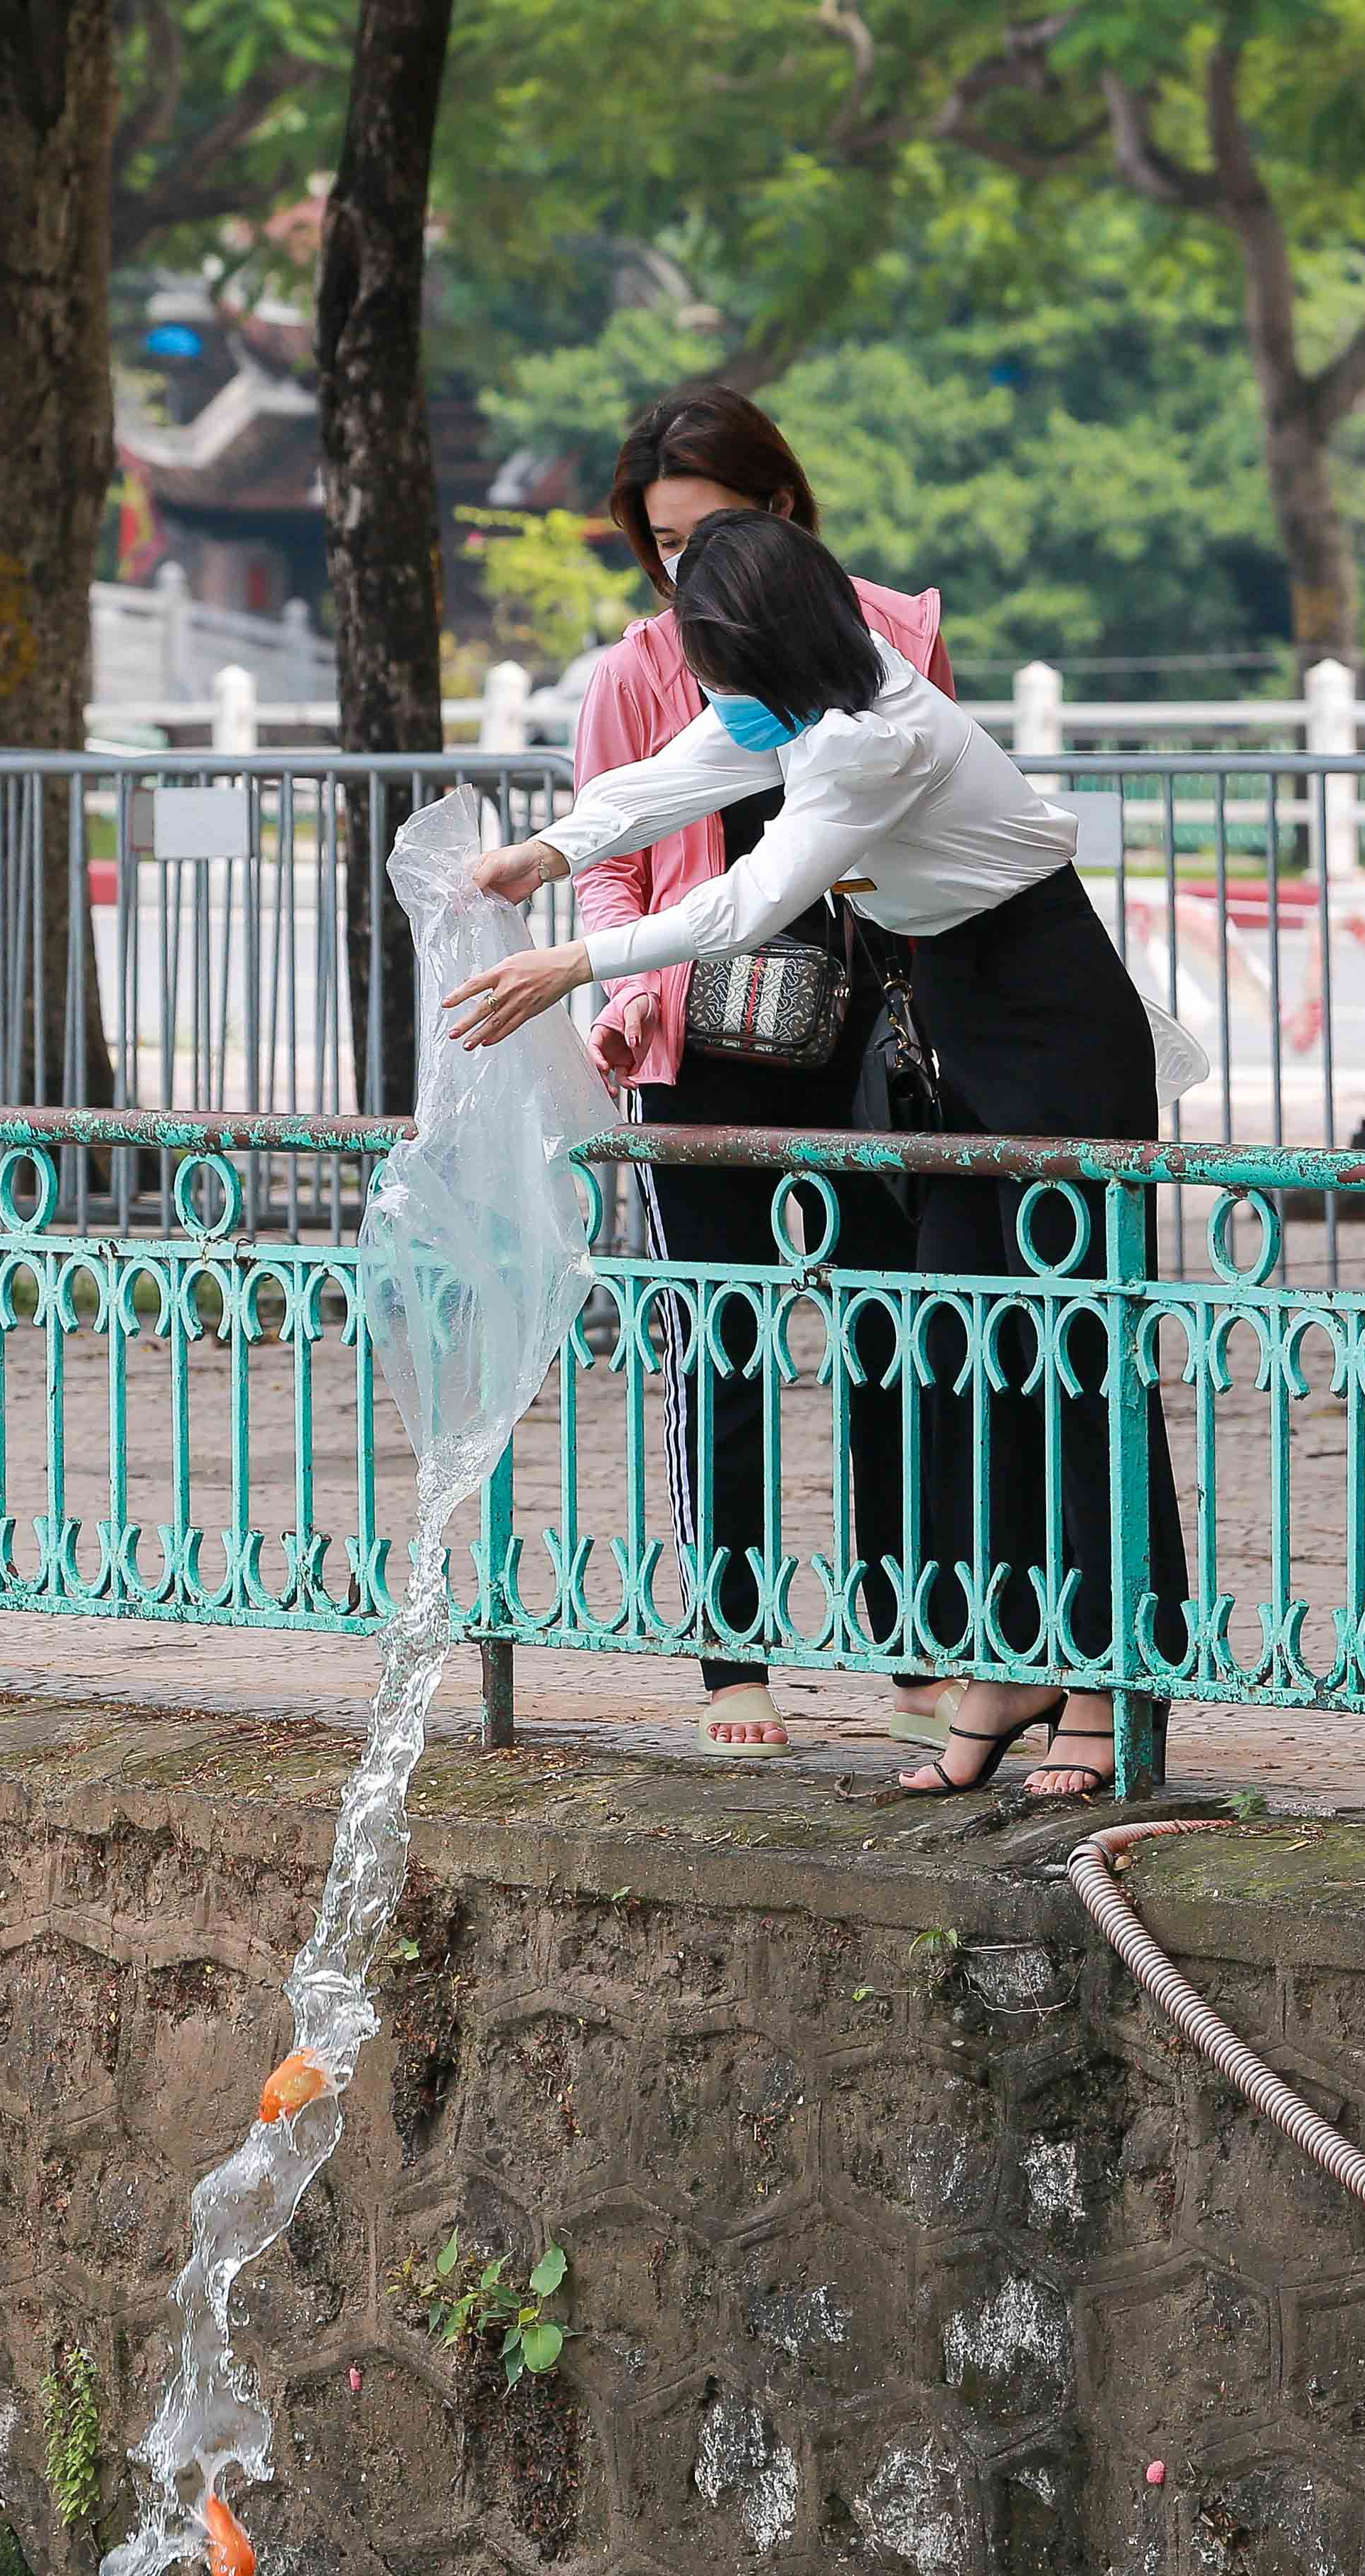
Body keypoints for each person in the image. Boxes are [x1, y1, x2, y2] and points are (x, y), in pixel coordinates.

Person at [444, 509, 1191, 1804]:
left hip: (1053, 1027)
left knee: (1070, 1354)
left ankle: (1119, 1672)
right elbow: (672, 775)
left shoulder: (869, 737)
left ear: (769, 642)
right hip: (956, 1024)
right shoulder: (797, 705)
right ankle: (1014, 1655)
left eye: (717, 653)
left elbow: (747, 899)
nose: (708, 683)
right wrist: (550, 851)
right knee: (957, 1344)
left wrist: (571, 959)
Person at [572, 387, 953, 1760]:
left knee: (895, 1334)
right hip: (694, 1039)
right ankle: (732, 1659)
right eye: (663, 544)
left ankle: (918, 1636)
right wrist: (618, 991)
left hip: (863, 1035)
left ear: (785, 509)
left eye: (713, 530)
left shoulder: (892, 633)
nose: (687, 570)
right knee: (714, 1344)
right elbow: (609, 858)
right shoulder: (634, 672)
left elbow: (926, 837)